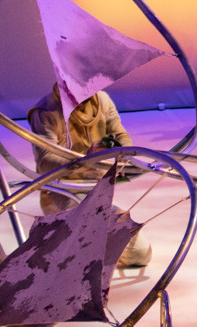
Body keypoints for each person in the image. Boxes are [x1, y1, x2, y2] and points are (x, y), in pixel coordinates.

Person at [28, 84, 149, 268]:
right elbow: (45, 162)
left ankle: (72, 246)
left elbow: (121, 135)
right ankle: (54, 238)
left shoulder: (102, 100)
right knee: (82, 255)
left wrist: (122, 152)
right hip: (62, 193)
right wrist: (86, 159)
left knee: (139, 253)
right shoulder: (46, 111)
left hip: (96, 192)